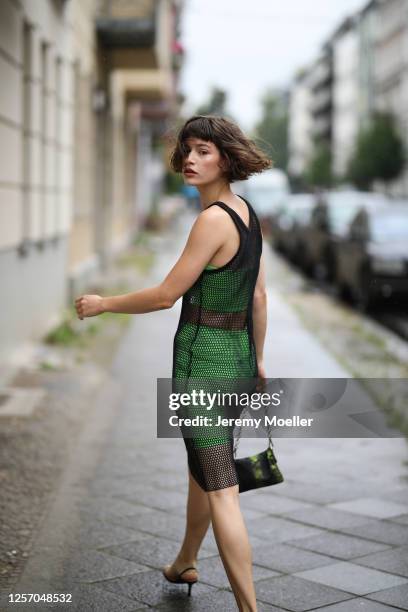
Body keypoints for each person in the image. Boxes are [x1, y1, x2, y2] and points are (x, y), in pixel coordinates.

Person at [74, 115, 272, 612]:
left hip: (201, 361)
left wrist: (103, 303)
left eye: (203, 150)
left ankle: (250, 607)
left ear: (225, 158)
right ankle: (186, 558)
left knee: (223, 488)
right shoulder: (247, 212)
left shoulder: (211, 220)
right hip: (238, 356)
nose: (189, 159)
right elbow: (260, 298)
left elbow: (166, 296)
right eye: (187, 150)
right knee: (204, 468)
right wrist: (259, 361)